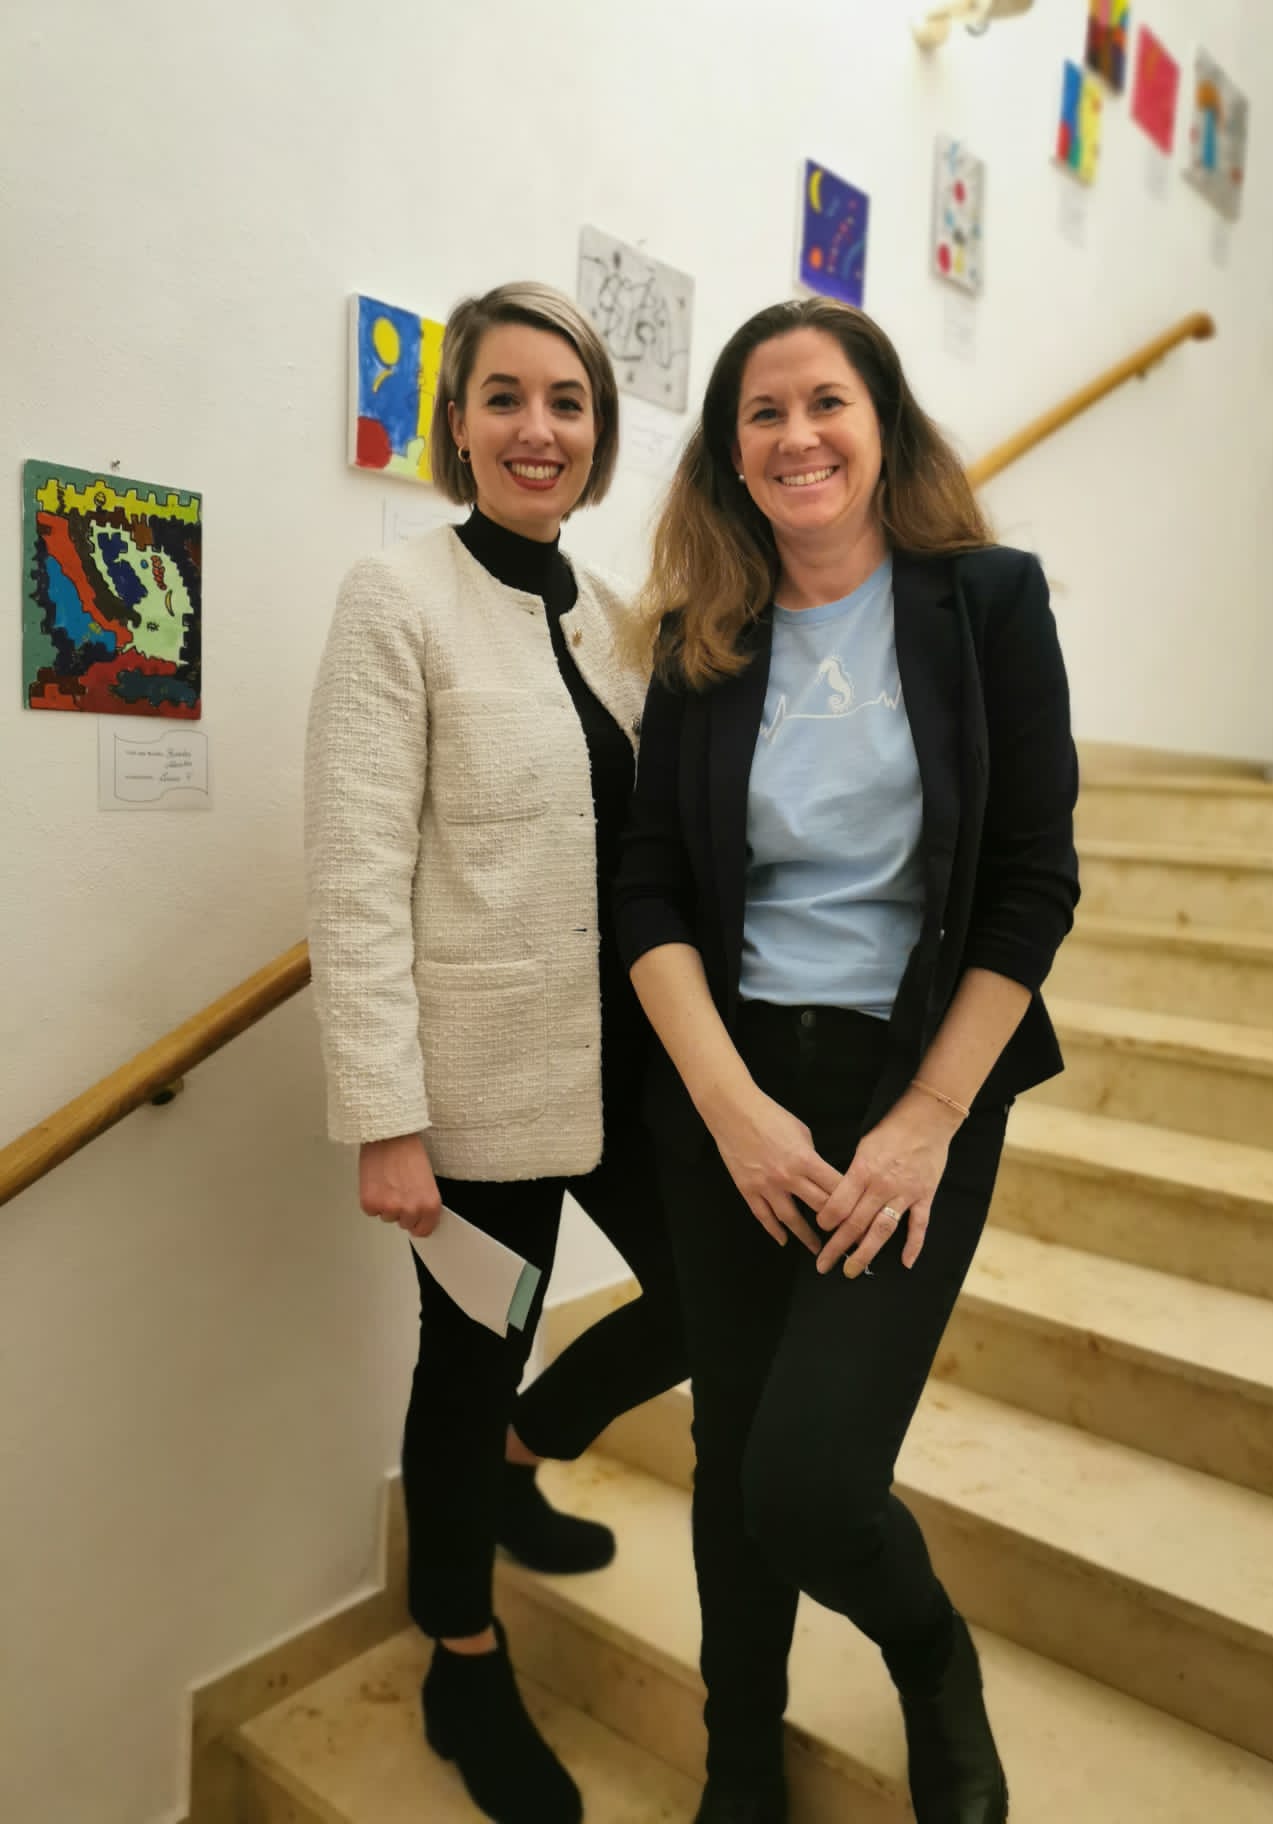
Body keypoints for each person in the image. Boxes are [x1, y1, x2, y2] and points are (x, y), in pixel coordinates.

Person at [615, 296, 1079, 1824]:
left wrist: (932, 1112)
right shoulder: (702, 635)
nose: (797, 435)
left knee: (808, 1486)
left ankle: (931, 1657)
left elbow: (1033, 880)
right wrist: (729, 1107)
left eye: (826, 402)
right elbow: (649, 888)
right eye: (763, 412)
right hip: (732, 1090)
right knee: (734, 1452)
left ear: (881, 423)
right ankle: (739, 1765)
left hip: (916, 1086)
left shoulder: (987, 602)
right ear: (729, 452)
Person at [304, 281, 687, 1824]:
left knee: (716, 1302)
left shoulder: (615, 617)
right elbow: (354, 879)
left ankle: (529, 1453)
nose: (540, 428)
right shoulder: (397, 599)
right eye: (507, 397)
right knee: (468, 1365)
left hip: (635, 1073)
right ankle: (462, 1656)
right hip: (476, 1095)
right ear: (456, 423)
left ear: (599, 435)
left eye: (568, 402)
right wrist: (387, 1118)